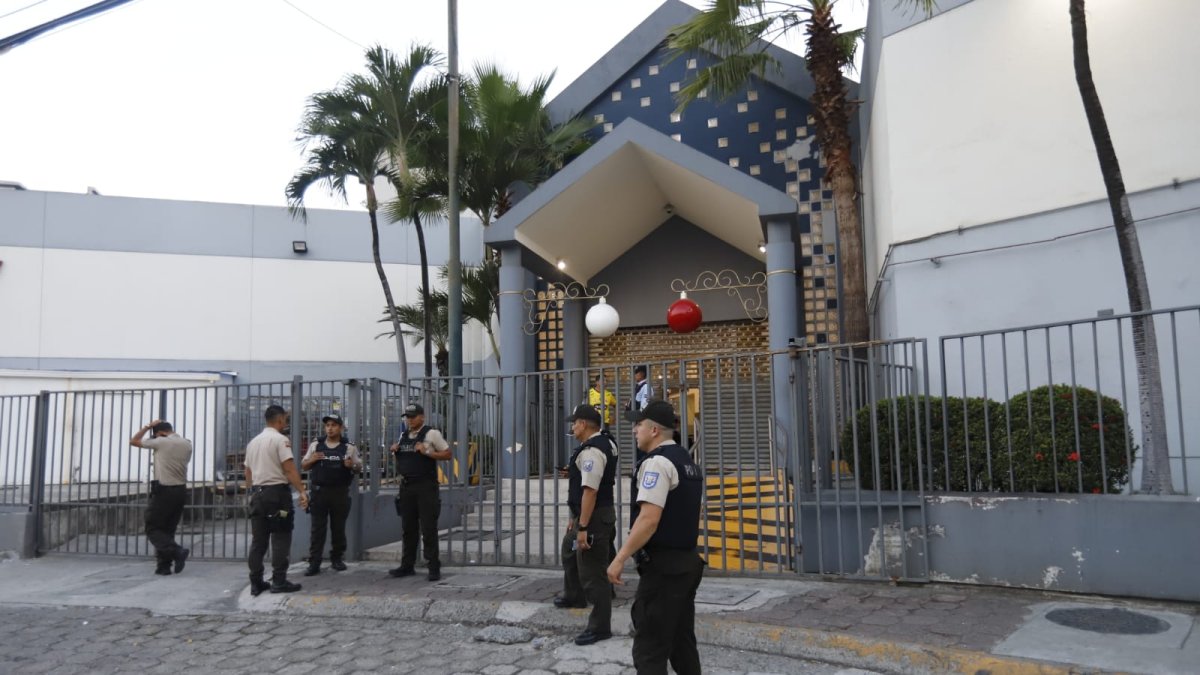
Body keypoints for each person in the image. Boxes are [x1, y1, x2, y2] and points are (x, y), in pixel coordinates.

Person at [610, 400, 705, 675]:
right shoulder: (687, 462)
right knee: (681, 642)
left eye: (638, 425)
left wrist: (619, 558)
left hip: (664, 569)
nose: (634, 431)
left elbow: (649, 520)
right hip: (686, 563)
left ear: (653, 430)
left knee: (649, 650)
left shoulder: (657, 463)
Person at [555, 404, 618, 646]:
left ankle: (600, 627)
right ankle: (574, 595)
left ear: (583, 424)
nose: (572, 427)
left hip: (592, 517)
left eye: (574, 423)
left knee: (593, 572)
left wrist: (582, 527)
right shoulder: (605, 442)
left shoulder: (592, 450)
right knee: (569, 552)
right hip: (590, 514)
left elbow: (590, 491)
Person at [244, 404, 308, 596]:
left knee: (258, 541)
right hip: (277, 495)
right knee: (280, 537)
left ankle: (256, 582)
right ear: (280, 419)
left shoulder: (253, 442)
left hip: (258, 494)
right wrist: (302, 491)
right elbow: (289, 469)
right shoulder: (280, 440)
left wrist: (252, 491)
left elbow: (248, 472)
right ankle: (279, 581)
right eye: (285, 419)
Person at [388, 403, 452, 582]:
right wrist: (395, 449)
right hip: (407, 486)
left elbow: (447, 454)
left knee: (428, 527)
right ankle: (407, 565)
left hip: (426, 486)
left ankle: (433, 566)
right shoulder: (404, 435)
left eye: (413, 416)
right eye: (407, 417)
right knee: (408, 528)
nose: (410, 420)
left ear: (422, 417)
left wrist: (428, 452)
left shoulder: (432, 434)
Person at [129, 419, 193, 576]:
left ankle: (177, 551)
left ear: (161, 433)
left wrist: (147, 426)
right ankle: (163, 566)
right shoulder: (186, 443)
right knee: (167, 530)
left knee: (153, 527)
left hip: (164, 491)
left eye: (155, 434)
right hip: (181, 490)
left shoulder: (161, 442)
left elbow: (134, 441)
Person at [301, 413, 362, 576]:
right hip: (319, 493)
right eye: (327, 425)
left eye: (334, 425)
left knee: (338, 528)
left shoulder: (349, 446)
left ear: (341, 428)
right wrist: (312, 459)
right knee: (317, 529)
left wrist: (352, 465)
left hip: (339, 493)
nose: (330, 428)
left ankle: (337, 559)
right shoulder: (316, 445)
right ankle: (314, 562)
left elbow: (359, 468)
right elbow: (304, 466)